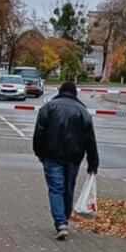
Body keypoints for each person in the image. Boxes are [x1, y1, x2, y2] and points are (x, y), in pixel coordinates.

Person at [32, 81, 100, 240]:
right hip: (73, 158)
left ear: (60, 91)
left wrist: (39, 153)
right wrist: (93, 162)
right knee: (68, 189)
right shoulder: (83, 112)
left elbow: (38, 133)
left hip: (51, 156)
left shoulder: (48, 108)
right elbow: (90, 139)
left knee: (56, 189)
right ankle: (64, 219)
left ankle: (61, 223)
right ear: (75, 93)